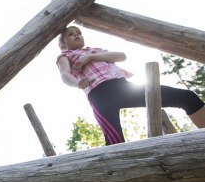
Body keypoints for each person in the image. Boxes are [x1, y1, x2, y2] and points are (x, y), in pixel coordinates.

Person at [56, 25, 205, 145]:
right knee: (115, 141)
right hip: (100, 96)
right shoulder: (66, 56)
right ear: (63, 44)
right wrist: (78, 83)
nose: (77, 35)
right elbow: (65, 75)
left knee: (187, 97)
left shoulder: (95, 51)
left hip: (124, 88)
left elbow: (121, 56)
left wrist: (90, 57)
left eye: (79, 32)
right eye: (71, 34)